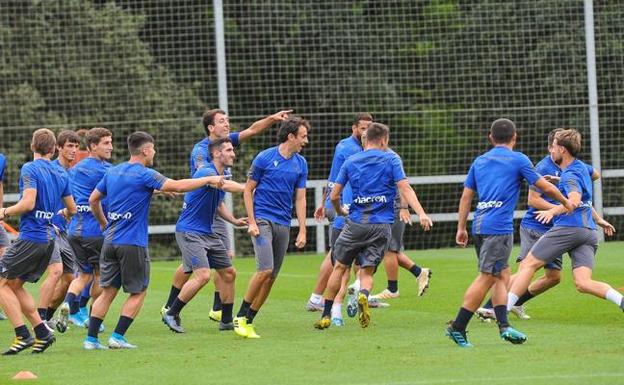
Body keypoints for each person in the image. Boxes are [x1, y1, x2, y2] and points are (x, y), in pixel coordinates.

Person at [83, 131, 225, 350]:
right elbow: (177, 186)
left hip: (110, 240)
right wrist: (208, 178)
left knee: (108, 291)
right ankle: (117, 337)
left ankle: (91, 340)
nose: (155, 152)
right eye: (154, 149)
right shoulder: (145, 173)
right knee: (138, 292)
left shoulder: (113, 171)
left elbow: (94, 199)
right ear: (145, 150)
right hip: (132, 242)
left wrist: (104, 223)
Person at [446, 118, 573, 348]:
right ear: (514, 138)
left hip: (480, 225)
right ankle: (457, 327)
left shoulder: (480, 160)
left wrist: (461, 227)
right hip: (498, 229)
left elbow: (466, 196)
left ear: (490, 138)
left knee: (502, 277)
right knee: (487, 277)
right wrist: (565, 201)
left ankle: (504, 326)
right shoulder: (519, 159)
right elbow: (543, 187)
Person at [163, 108, 291, 323]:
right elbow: (213, 181)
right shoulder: (202, 153)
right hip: (200, 212)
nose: (227, 124)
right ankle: (170, 308)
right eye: (222, 121)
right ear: (211, 128)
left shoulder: (226, 144)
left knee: (226, 266)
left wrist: (271, 119)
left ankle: (221, 314)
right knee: (196, 268)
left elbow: (251, 130)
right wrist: (248, 188)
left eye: (227, 120)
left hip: (216, 205)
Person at [315, 122, 432, 330]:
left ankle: (326, 314)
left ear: (364, 139)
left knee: (340, 267)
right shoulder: (392, 159)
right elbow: (405, 187)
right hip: (381, 226)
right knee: (367, 272)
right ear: (383, 140)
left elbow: (334, 194)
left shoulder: (351, 161)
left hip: (356, 223)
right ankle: (364, 295)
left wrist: (340, 209)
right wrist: (421, 213)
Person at [476, 128, 601, 321]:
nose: (554, 149)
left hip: (558, 225)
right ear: (551, 147)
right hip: (536, 225)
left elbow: (593, 176)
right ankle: (490, 308)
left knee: (553, 277)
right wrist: (560, 206)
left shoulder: (572, 166)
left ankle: (514, 303)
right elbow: (533, 200)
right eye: (553, 146)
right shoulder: (542, 167)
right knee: (528, 268)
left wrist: (564, 186)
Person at [506, 129, 620, 323]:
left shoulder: (569, 175)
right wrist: (560, 180)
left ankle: (501, 310)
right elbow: (584, 186)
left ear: (562, 150)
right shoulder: (581, 168)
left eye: (555, 146)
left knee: (529, 264)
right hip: (589, 232)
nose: (552, 150)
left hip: (569, 228)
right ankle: (621, 301)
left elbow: (574, 201)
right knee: (583, 283)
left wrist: (552, 211)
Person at [0, 128, 77, 355]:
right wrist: (59, 214)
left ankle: (23, 335)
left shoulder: (30, 168)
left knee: (1, 284)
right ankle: (42, 333)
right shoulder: (61, 174)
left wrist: (4, 211)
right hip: (48, 239)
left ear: (32, 146)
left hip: (31, 237)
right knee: (14, 285)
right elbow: (72, 209)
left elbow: (28, 203)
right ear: (54, 149)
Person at [233, 116, 309, 339]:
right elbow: (248, 190)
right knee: (264, 269)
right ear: (291, 136)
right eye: (303, 136)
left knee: (272, 276)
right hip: (263, 219)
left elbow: (301, 199)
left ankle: (249, 319)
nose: (306, 141)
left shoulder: (301, 163)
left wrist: (303, 229)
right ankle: (240, 316)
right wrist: (253, 222)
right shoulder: (265, 157)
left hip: (283, 223)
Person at [162, 138, 246, 333]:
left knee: (229, 273)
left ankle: (226, 320)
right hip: (189, 231)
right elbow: (226, 186)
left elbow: (218, 203)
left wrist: (233, 220)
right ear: (216, 153)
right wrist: (247, 188)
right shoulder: (208, 172)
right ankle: (171, 312)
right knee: (203, 275)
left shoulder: (222, 173)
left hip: (207, 232)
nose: (233, 153)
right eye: (229, 150)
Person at [307, 113, 371, 327]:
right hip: (342, 206)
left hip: (354, 207)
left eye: (369, 128)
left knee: (339, 255)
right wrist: (326, 202)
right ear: (354, 127)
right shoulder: (346, 148)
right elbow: (335, 178)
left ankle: (323, 297)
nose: (365, 131)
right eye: (362, 128)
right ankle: (339, 300)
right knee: (341, 258)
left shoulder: (369, 148)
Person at [61, 127, 114, 329]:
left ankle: (69, 305)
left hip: (74, 230)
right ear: (92, 146)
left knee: (83, 275)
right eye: (106, 143)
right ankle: (93, 318)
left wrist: (65, 213)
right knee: (101, 275)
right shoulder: (106, 170)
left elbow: (67, 198)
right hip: (96, 231)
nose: (111, 147)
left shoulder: (74, 169)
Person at [37, 130, 80, 332]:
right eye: (69, 146)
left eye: (76, 146)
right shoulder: (49, 169)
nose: (73, 150)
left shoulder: (70, 172)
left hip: (64, 231)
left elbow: (70, 206)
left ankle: (48, 316)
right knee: (56, 272)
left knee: (71, 279)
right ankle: (39, 320)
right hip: (48, 229)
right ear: (58, 148)